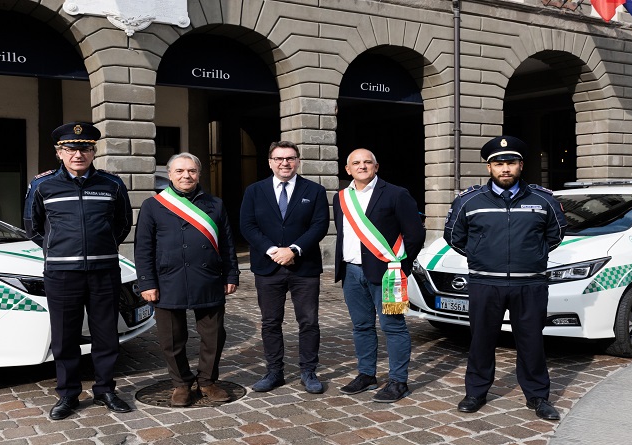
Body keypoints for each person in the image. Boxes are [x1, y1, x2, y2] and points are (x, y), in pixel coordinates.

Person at [444, 135, 567, 420]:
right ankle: (476, 392)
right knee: (481, 340)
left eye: (510, 162)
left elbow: (557, 234)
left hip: (530, 283)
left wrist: (532, 255)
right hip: (485, 282)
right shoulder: (469, 200)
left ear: (521, 165)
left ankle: (538, 396)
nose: (505, 169)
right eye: (498, 164)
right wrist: (480, 255)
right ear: (489, 167)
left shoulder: (543, 199)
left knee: (531, 342)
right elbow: (453, 236)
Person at [24, 122, 133, 420]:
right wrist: (59, 251)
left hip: (104, 270)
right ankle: (68, 394)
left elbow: (123, 223)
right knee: (65, 337)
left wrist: (103, 245)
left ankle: (105, 390)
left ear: (93, 152)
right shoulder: (43, 185)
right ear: (59, 152)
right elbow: (32, 226)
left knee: (106, 334)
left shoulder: (112, 184)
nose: (78, 154)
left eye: (85, 148)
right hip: (62, 274)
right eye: (70, 149)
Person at [134, 153, 239, 407]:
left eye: (191, 171)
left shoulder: (215, 204)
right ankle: (181, 383)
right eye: (180, 171)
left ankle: (207, 381)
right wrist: (147, 282)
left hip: (208, 277)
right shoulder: (153, 205)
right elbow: (143, 247)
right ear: (169, 174)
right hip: (168, 279)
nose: (186, 176)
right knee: (171, 338)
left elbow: (227, 244)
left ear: (199, 174)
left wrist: (231, 274)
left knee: (214, 335)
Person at [333, 148, 426, 403]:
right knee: (361, 326)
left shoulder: (396, 193)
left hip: (387, 274)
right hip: (351, 272)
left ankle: (398, 381)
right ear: (348, 169)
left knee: (393, 327)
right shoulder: (341, 198)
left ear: (376, 166)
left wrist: (400, 266)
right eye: (356, 163)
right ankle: (366, 374)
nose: (362, 166)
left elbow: (415, 234)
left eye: (367, 162)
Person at [240, 141, 329, 394]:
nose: (284, 163)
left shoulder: (315, 190)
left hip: (305, 267)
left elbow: (319, 225)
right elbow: (247, 226)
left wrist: (294, 250)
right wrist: (273, 251)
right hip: (267, 267)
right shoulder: (254, 191)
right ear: (270, 162)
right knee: (270, 322)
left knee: (309, 322)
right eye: (279, 159)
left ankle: (308, 371)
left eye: (290, 158)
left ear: (298, 161)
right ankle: (274, 372)